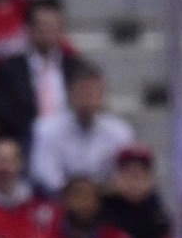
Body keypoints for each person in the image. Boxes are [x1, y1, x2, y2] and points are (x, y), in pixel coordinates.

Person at [29, 61, 134, 197]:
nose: (88, 98)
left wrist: (95, 193)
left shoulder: (120, 131)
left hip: (106, 202)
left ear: (102, 95)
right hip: (60, 202)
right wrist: (80, 194)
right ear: (70, 94)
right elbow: (45, 176)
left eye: (94, 92)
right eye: (83, 91)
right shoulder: (45, 129)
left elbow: (123, 177)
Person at [0, 0, 81, 154]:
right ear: (29, 28)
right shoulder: (10, 69)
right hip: (26, 143)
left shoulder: (75, 68)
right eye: (43, 25)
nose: (49, 32)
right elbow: (4, 114)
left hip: (69, 144)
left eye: (54, 26)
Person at [102, 143, 170, 238]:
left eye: (139, 173)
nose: (133, 181)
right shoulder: (100, 216)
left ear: (150, 179)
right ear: (116, 177)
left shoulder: (159, 219)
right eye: (127, 173)